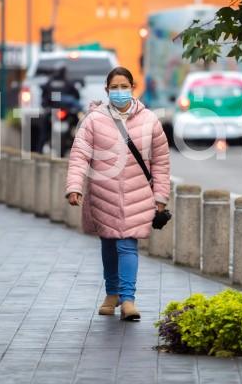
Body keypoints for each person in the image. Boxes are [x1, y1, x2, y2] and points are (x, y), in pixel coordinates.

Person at [65, 66, 170, 321]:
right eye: (115, 87)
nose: (120, 92)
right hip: (104, 194)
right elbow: (80, 155)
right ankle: (111, 293)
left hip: (138, 196)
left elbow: (161, 162)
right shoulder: (94, 120)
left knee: (127, 244)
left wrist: (160, 197)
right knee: (110, 244)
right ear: (107, 90)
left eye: (124, 86)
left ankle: (127, 300)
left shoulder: (150, 121)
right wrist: (74, 187)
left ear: (133, 88)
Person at [37, 62, 81, 152]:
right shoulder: (68, 82)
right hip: (60, 112)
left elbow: (44, 98)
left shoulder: (50, 82)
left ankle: (39, 149)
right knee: (79, 126)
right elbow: (77, 96)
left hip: (56, 112)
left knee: (44, 132)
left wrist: (45, 105)